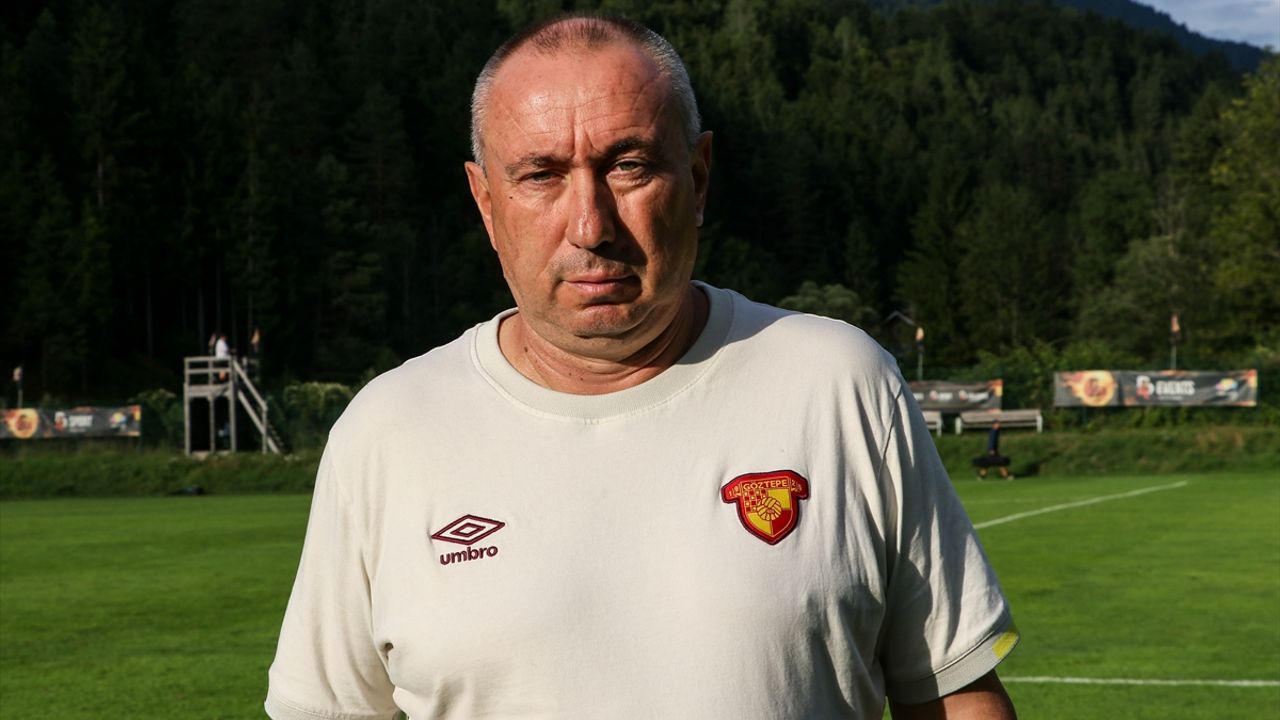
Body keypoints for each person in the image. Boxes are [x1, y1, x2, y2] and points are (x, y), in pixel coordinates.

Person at [266, 14, 1019, 720]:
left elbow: (955, 699)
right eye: (541, 175)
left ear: (698, 176)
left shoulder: (837, 383)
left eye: (628, 166)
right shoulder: (389, 431)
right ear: (486, 201)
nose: (590, 225)